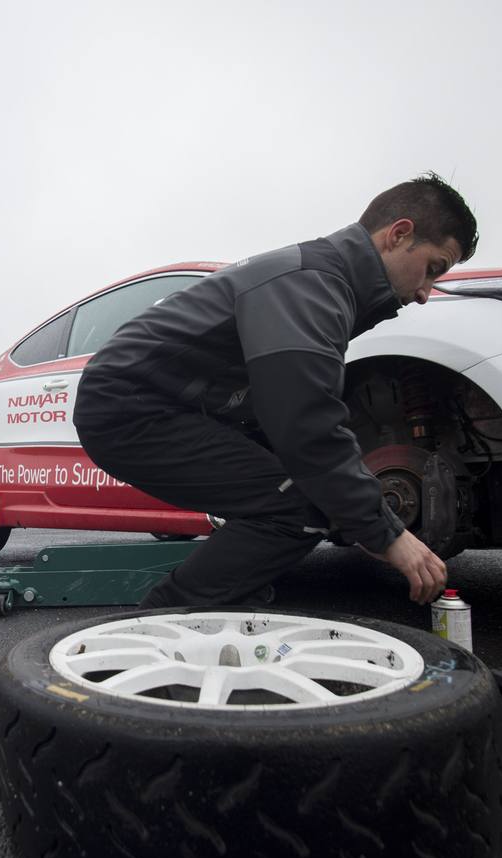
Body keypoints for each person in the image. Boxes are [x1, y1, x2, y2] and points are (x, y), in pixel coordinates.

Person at [73, 173, 478, 609]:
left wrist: (355, 516)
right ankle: (160, 628)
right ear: (399, 235)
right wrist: (389, 534)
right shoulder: (313, 284)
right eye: (433, 268)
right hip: (129, 406)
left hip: (180, 405)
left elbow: (294, 424)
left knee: (312, 499)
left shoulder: (327, 280)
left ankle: (231, 604)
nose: (425, 292)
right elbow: (307, 426)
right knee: (295, 509)